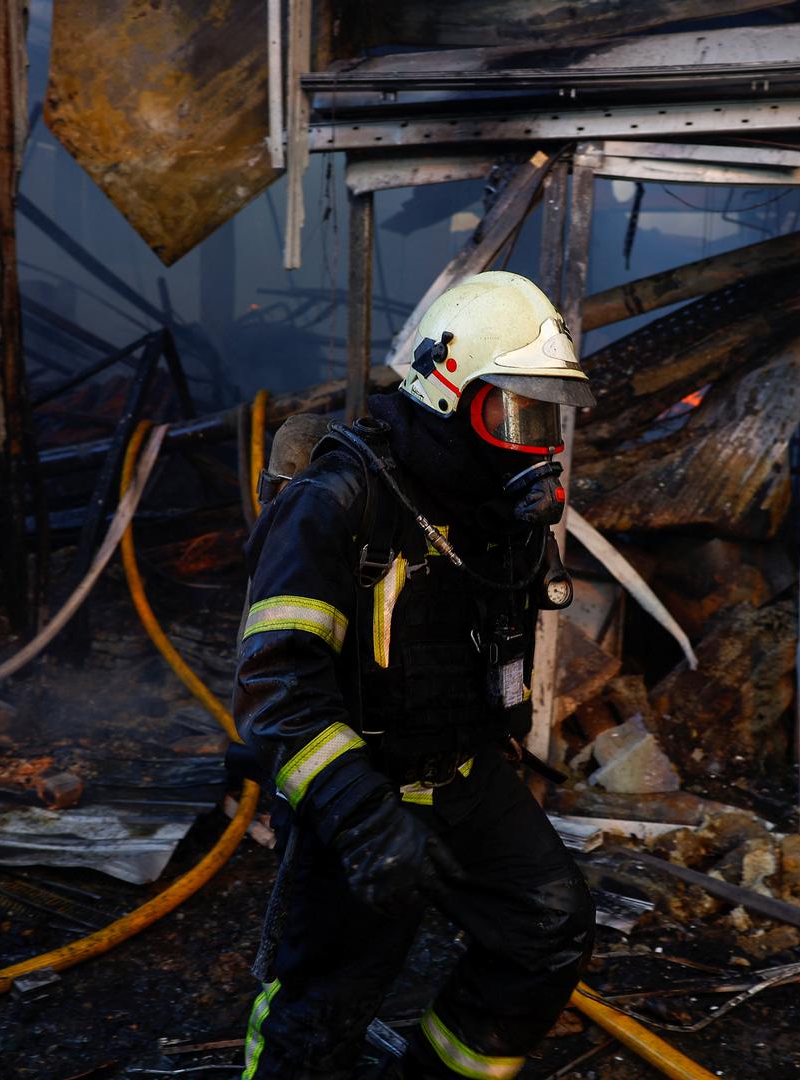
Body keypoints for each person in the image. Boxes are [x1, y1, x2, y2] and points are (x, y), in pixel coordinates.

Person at [233, 271, 597, 1079]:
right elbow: (275, 690)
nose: (537, 444)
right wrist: (362, 818)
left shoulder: (488, 513)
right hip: (358, 791)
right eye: (514, 413)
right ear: (446, 394)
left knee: (547, 928)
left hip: (463, 779)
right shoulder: (338, 501)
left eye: (545, 418)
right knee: (326, 1001)